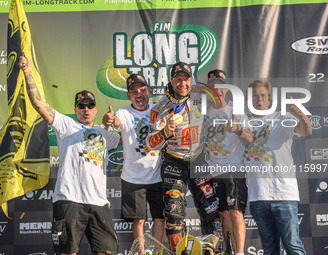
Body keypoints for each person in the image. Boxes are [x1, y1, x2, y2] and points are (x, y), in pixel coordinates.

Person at [19, 55, 120, 255]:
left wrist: (116, 121)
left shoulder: (106, 135)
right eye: (81, 106)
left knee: (108, 251)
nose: (86, 110)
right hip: (69, 200)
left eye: (90, 105)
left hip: (99, 202)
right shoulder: (65, 124)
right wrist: (27, 72)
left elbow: (130, 136)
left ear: (95, 109)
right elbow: (38, 104)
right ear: (75, 109)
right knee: (68, 252)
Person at [146, 62, 220, 252]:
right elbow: (149, 144)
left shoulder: (201, 97)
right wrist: (164, 133)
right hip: (174, 161)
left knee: (211, 209)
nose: (182, 84)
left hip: (199, 158)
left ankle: (213, 250)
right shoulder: (161, 107)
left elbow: (221, 99)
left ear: (191, 80)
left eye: (186, 79)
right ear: (171, 81)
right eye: (178, 80)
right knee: (174, 211)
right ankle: (178, 251)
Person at [244, 80, 311, 255]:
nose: (259, 99)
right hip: (258, 196)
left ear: (269, 98)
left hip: (283, 194)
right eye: (255, 96)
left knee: (293, 245)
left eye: (263, 95)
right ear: (249, 99)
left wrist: (300, 114)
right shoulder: (243, 123)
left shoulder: (283, 118)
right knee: (269, 247)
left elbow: (306, 132)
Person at [102, 74, 165, 249]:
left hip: (157, 176)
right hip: (133, 178)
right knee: (139, 220)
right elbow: (115, 122)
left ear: (149, 91)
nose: (139, 94)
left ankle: (159, 252)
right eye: (134, 91)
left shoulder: (157, 110)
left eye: (142, 90)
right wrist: (109, 120)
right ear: (129, 96)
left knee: (160, 218)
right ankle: (141, 253)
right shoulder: (124, 112)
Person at [204, 69, 253, 255]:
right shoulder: (203, 111)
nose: (218, 89)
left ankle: (239, 253)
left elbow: (249, 139)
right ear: (209, 89)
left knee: (235, 212)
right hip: (213, 170)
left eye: (221, 86)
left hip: (234, 168)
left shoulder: (236, 109)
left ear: (227, 88)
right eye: (214, 86)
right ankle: (229, 252)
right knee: (223, 214)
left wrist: (238, 129)